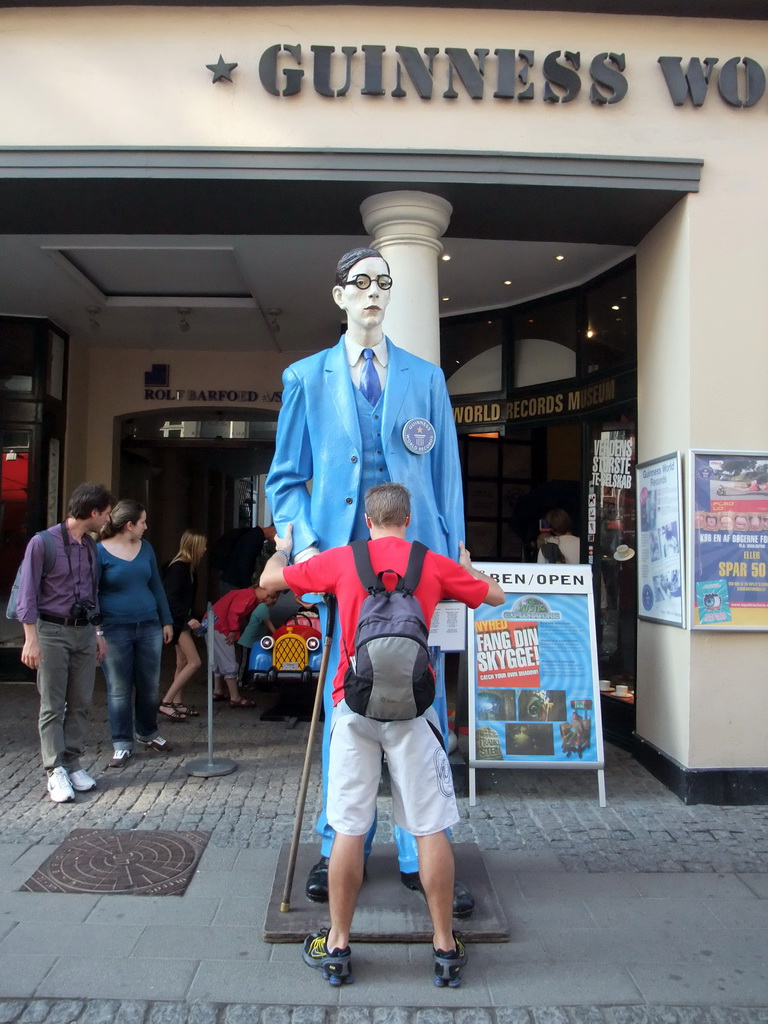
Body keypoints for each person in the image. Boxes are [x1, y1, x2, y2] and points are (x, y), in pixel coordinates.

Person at [265, 246, 469, 912]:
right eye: (360, 282)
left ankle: (420, 847)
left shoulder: (426, 378)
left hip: (415, 565)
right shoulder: (305, 377)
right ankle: (338, 841)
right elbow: (287, 478)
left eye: (383, 282)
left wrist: (456, 551)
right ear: (338, 296)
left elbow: (446, 478)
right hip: (346, 568)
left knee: (424, 698)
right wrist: (307, 540)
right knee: (344, 698)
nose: (373, 292)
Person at [260, 483, 505, 987]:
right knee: (429, 827)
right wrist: (467, 562)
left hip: (352, 707)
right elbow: (495, 595)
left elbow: (269, 583)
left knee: (348, 828)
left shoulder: (341, 560)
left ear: (367, 522)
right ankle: (443, 947)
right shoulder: (432, 563)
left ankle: (337, 946)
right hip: (416, 711)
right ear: (408, 519)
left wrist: (282, 549)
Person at [16, 482, 114, 803]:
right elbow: (28, 594)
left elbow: (92, 592)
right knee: (53, 704)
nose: (107, 520)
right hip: (51, 631)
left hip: (84, 631)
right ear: (93, 512)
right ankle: (54, 768)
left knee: (82, 701)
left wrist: (97, 634)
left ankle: (72, 762)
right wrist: (31, 639)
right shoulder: (42, 543)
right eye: (106, 514)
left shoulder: (90, 546)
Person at [97, 499, 174, 767]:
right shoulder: (99, 552)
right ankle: (121, 742)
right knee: (119, 688)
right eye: (142, 522)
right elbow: (91, 594)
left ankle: (148, 732)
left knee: (150, 685)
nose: (146, 526)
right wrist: (97, 631)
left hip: (149, 624)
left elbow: (157, 585)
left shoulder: (146, 548)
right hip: (113, 628)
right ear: (129, 525)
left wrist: (166, 620)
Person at [159, 530, 207, 721]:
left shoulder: (188, 568)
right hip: (178, 621)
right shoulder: (179, 568)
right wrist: (188, 619)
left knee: (182, 662)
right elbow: (170, 598)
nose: (205, 549)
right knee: (195, 662)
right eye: (202, 545)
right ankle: (167, 701)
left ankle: (177, 702)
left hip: (181, 619)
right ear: (194, 547)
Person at [207, 581, 277, 705]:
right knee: (229, 660)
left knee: (217, 659)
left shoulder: (247, 595)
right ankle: (235, 697)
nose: (269, 598)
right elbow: (234, 612)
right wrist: (234, 630)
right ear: (261, 588)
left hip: (212, 624)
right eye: (268, 595)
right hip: (221, 627)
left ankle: (217, 691)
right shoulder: (248, 596)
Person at [211, 524, 277, 594]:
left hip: (230, 579)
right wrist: (247, 586)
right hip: (235, 583)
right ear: (274, 529)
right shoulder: (255, 538)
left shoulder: (252, 533)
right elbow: (244, 563)